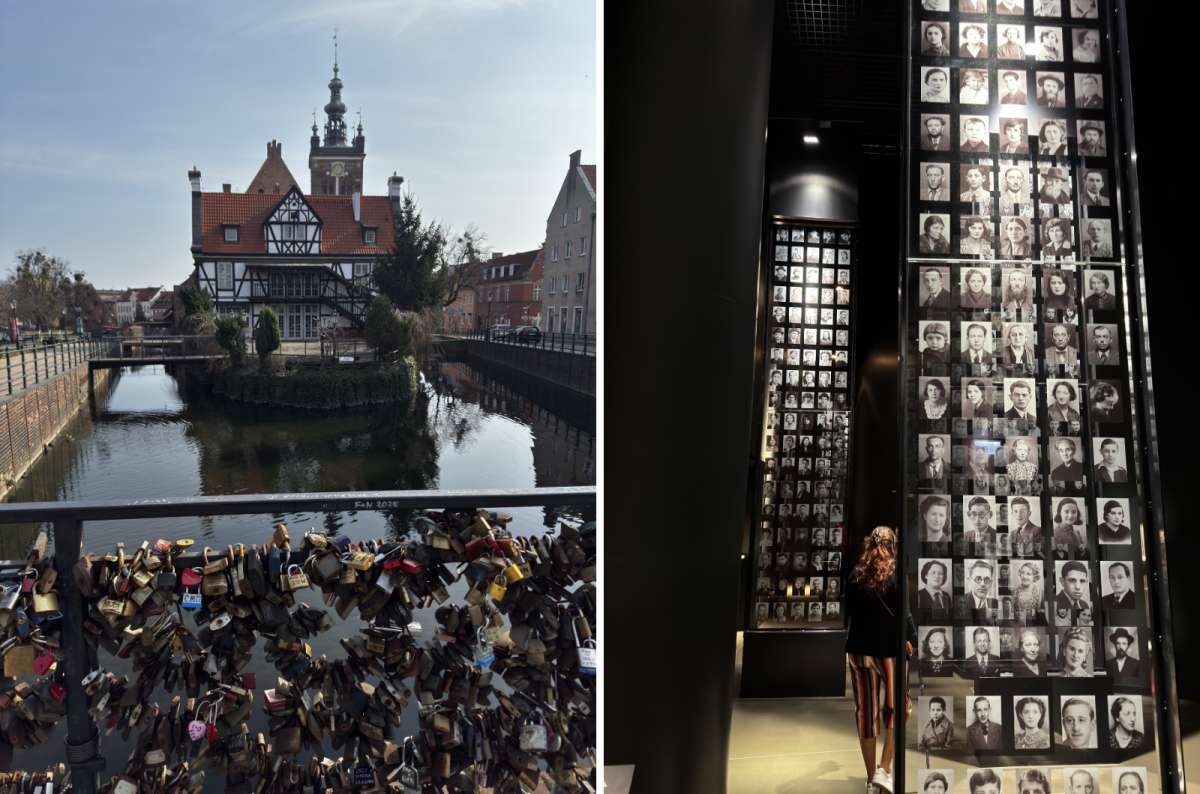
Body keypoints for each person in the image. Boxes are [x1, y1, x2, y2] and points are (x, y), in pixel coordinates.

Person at [844, 527, 915, 794]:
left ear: (869, 544)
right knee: (898, 708)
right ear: (893, 544)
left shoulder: (855, 574)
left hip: (860, 651)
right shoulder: (896, 575)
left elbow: (849, 611)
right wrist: (912, 639)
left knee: (866, 715)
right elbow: (905, 615)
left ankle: (870, 778)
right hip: (889, 652)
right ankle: (884, 770)